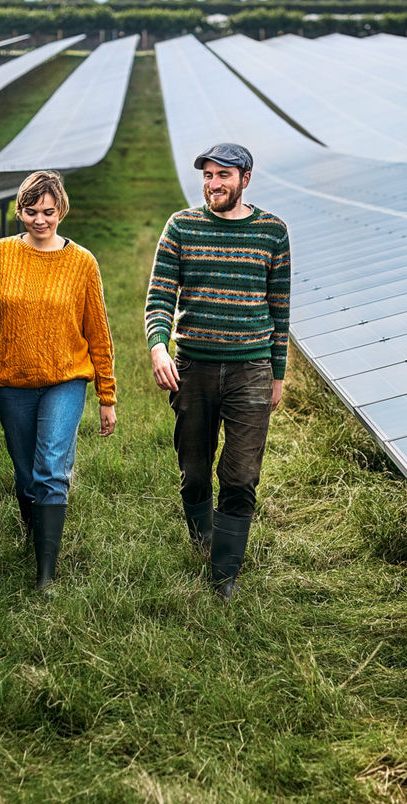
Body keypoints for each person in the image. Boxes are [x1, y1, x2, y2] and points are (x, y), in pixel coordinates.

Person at [145, 143, 290, 603]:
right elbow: (159, 297)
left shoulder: (272, 232)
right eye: (207, 175)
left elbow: (280, 309)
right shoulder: (181, 227)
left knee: (242, 474)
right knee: (193, 469)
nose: (213, 184)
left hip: (252, 368)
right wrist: (158, 347)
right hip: (193, 368)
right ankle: (203, 539)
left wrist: (278, 374)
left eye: (223, 175)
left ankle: (225, 576)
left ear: (245, 178)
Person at [0, 170, 117, 590]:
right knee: (26, 474)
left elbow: (98, 331)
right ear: (19, 211)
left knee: (51, 467)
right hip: (11, 382)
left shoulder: (82, 263)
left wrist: (106, 394)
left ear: (62, 210)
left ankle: (45, 574)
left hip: (65, 379)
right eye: (31, 211)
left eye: (48, 211)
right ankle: (34, 532)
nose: (40, 220)